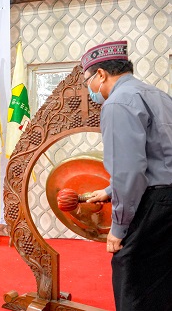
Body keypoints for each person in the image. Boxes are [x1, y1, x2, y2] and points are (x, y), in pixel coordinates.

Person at [82, 41, 172, 311]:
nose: (90, 90)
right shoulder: (159, 95)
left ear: (100, 75)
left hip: (154, 203)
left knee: (133, 279)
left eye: (87, 81)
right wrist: (109, 192)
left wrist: (118, 230)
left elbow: (130, 172)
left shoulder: (118, 102)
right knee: (163, 279)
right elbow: (159, 155)